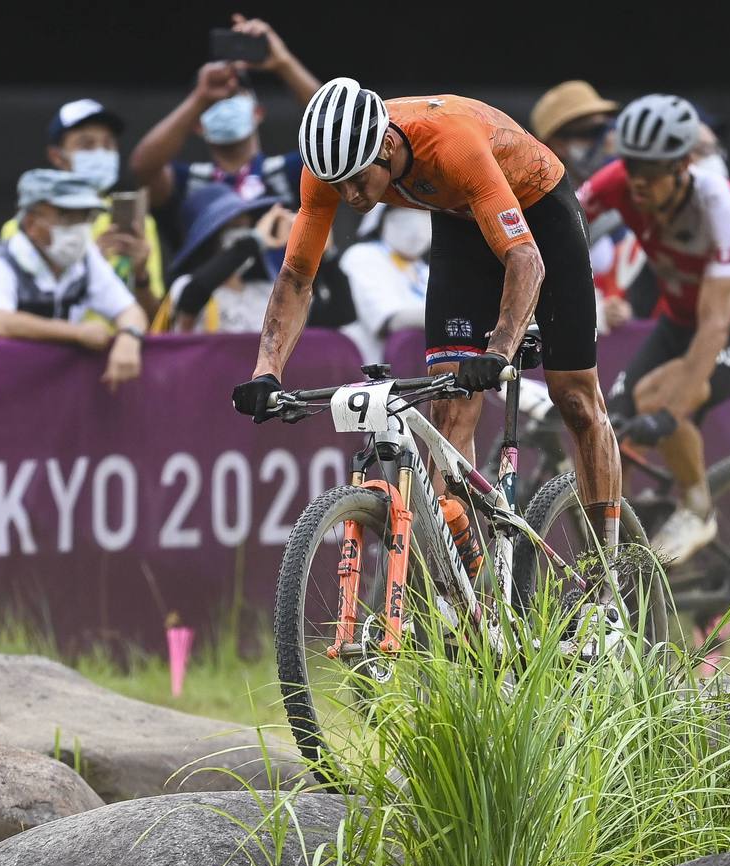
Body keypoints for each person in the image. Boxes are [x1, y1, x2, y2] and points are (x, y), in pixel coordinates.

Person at [231, 78, 626, 570]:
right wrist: (265, 370)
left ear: (388, 145)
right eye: (338, 185)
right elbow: (295, 278)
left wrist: (499, 351)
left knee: (574, 397)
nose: (352, 196)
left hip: (538, 211)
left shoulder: (451, 143)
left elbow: (526, 258)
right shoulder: (331, 169)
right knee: (450, 411)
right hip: (460, 222)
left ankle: (608, 573)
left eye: (358, 180)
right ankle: (467, 595)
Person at [580, 94, 730, 564]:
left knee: (663, 401)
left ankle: (698, 507)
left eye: (652, 170)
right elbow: (557, 228)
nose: (639, 182)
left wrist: (673, 410)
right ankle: (627, 570)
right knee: (611, 424)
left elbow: (714, 324)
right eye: (632, 165)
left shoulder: (722, 207)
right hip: (675, 324)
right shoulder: (616, 182)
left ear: (684, 165)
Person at [0, 170, 146, 392]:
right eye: (66, 217)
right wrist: (78, 333)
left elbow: (129, 310)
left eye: (85, 217)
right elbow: (1, 322)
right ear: (32, 223)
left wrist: (129, 337)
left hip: (38, 391)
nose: (79, 228)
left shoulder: (87, 260)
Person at [129, 15, 320, 242]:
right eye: (214, 103)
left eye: (235, 96)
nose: (226, 104)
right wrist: (200, 97)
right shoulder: (188, 183)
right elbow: (143, 167)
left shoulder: (289, 174)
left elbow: (336, 130)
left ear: (257, 112)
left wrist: (284, 62)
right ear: (198, 124)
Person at [0, 99, 164, 317]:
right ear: (57, 156)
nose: (101, 153)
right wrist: (89, 265)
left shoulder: (140, 224)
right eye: (86, 145)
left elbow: (156, 322)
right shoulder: (25, 226)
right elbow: (16, 314)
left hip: (123, 349)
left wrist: (141, 276)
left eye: (108, 145)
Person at [530, 80, 634, 333]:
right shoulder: (538, 205)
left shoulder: (633, 196)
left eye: (607, 127)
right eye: (592, 132)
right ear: (557, 144)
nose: (608, 140)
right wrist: (599, 310)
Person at [157, 183, 291, 333]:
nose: (242, 232)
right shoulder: (185, 286)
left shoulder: (266, 292)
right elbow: (193, 296)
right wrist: (255, 240)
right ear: (208, 241)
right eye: (232, 226)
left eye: (246, 224)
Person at [338, 203, 430, 363]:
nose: (417, 226)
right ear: (382, 219)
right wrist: (446, 317)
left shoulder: (425, 270)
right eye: (405, 215)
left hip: (418, 369)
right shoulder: (363, 256)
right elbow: (390, 321)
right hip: (371, 372)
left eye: (425, 216)